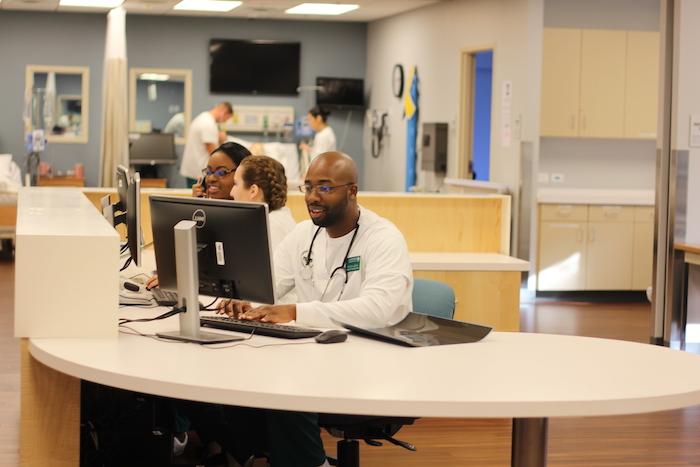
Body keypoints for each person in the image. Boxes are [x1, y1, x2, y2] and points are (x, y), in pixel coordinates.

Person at [217, 151, 413, 466]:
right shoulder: (303, 235)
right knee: (236, 374)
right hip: (313, 352)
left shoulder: (383, 239)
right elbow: (270, 284)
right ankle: (262, 454)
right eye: (308, 187)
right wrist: (248, 301)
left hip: (369, 360)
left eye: (325, 187)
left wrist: (296, 312)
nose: (312, 197)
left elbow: (380, 308)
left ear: (352, 191)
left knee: (286, 386)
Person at [230, 155, 297, 248]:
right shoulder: (278, 219)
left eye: (235, 184)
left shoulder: (268, 228)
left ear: (253, 191)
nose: (231, 193)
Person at [180, 102, 233, 187]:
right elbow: (214, 153)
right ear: (224, 112)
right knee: (198, 198)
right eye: (226, 119)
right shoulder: (208, 124)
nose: (223, 122)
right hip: (199, 172)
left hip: (193, 169)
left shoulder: (203, 117)